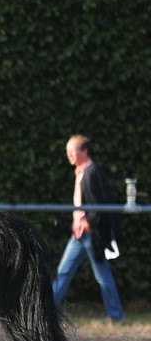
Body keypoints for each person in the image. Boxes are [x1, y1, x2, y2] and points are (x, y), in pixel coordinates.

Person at [52, 134, 124, 321]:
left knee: (102, 275)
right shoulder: (81, 172)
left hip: (90, 234)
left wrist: (88, 224)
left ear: (84, 151)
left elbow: (99, 205)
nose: (69, 155)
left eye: (72, 151)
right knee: (63, 272)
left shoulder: (91, 172)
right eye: (67, 151)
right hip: (79, 234)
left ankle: (116, 316)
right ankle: (47, 311)